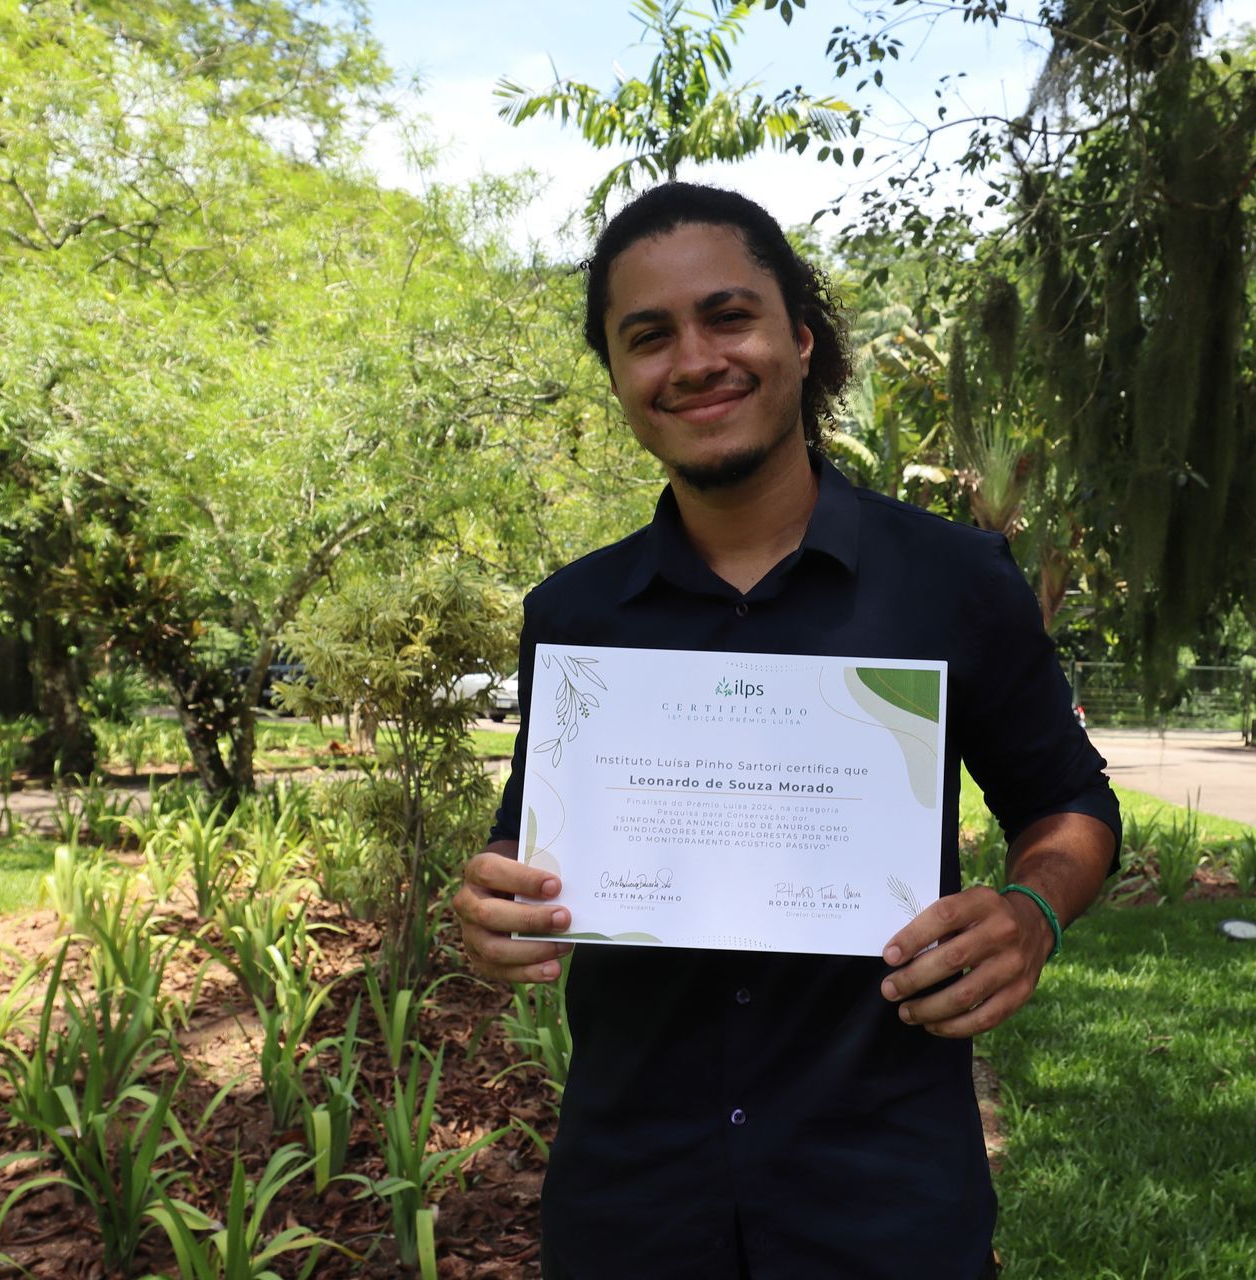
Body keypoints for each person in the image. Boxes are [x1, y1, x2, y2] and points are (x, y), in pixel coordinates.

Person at [452, 182, 1121, 1280]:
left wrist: (1033, 907)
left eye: (729, 316)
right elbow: (531, 858)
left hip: (885, 1201)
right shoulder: (576, 616)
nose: (696, 357)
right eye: (649, 335)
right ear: (619, 378)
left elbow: (1072, 803)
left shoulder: (953, 581)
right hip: (633, 1208)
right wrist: (496, 909)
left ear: (800, 339)